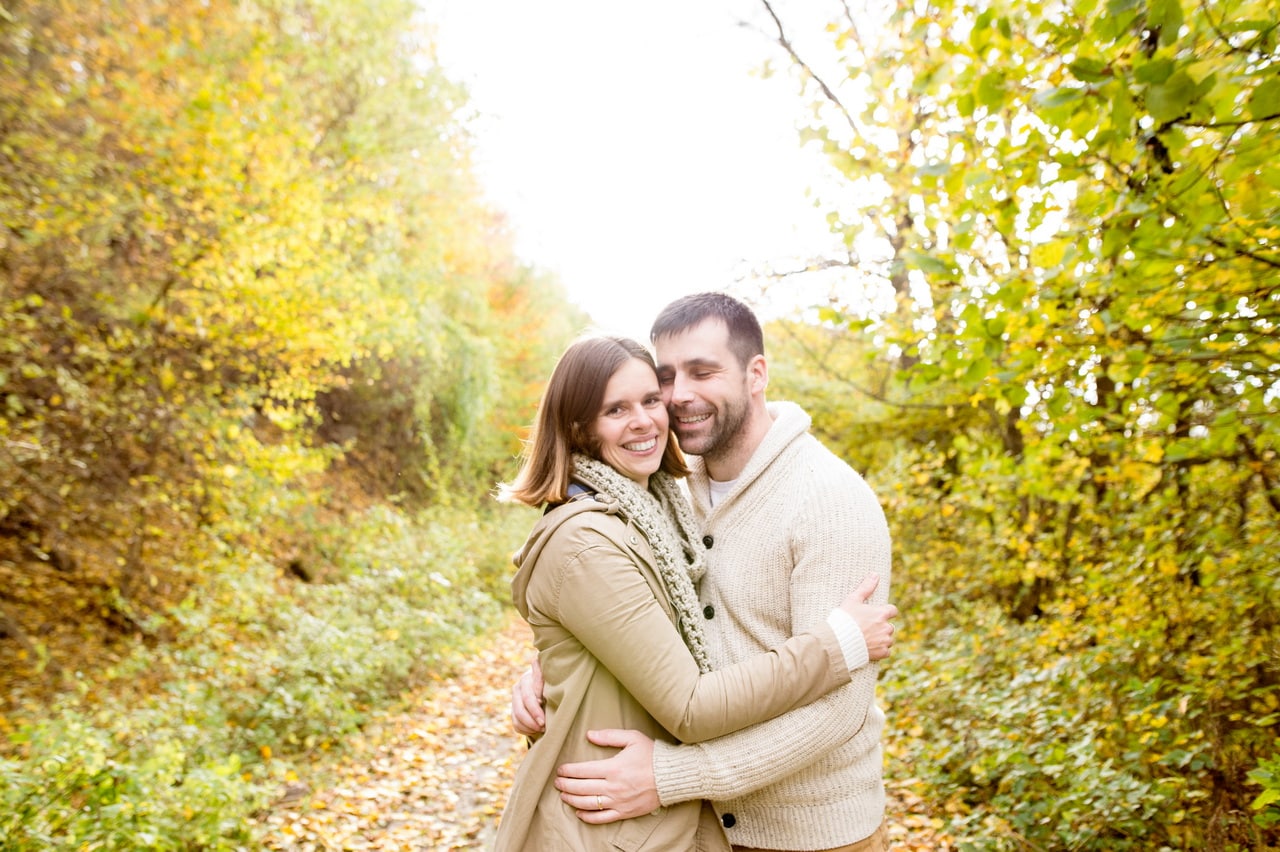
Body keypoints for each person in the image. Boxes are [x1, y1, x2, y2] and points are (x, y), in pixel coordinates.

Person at [514, 294, 896, 852]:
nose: (678, 395)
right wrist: (554, 668)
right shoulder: (665, 488)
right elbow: (619, 605)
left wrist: (672, 776)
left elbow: (838, 709)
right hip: (692, 830)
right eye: (666, 376)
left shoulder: (831, 500)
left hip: (811, 832)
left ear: (756, 373)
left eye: (703, 371)